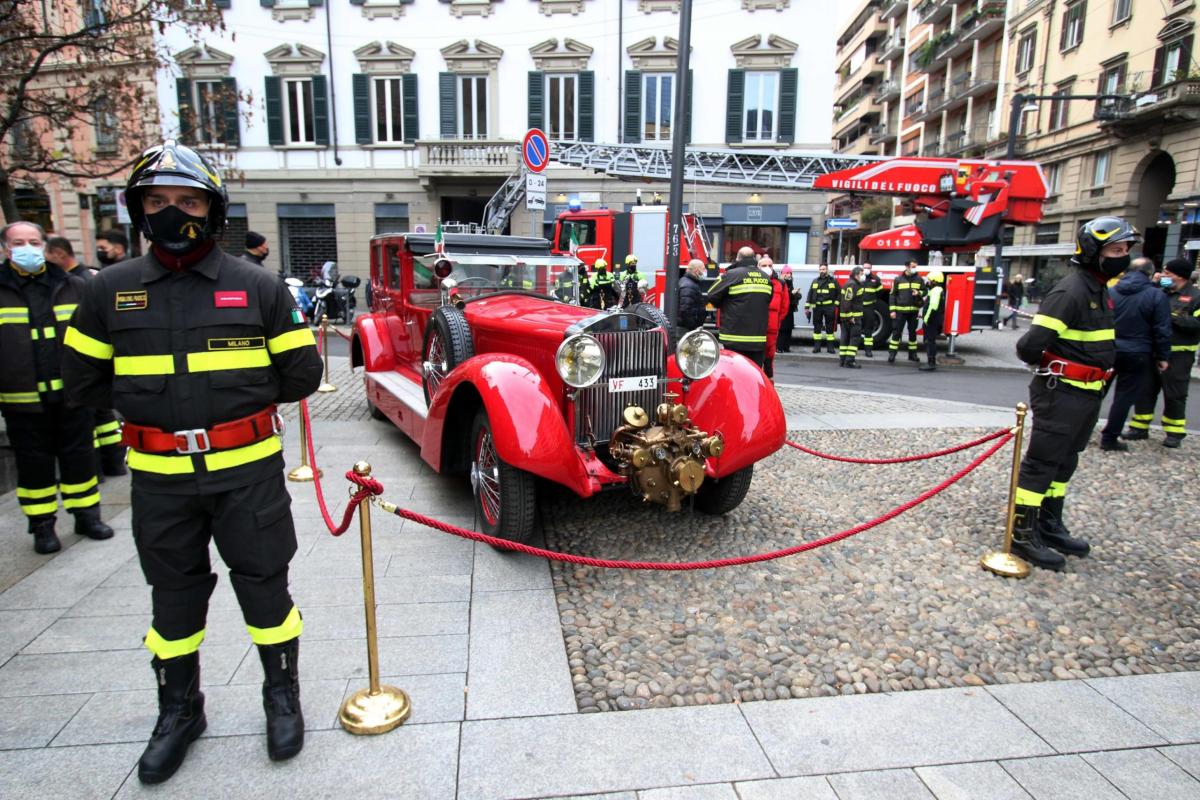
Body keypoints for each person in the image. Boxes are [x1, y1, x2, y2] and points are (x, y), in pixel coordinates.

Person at [61, 140, 323, 783]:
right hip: (160, 480)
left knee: (265, 584)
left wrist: (234, 410)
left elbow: (304, 372)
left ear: (212, 211)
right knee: (172, 599)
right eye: (157, 202)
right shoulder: (109, 291)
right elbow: (80, 379)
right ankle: (179, 709)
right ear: (138, 212)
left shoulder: (255, 286)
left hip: (247, 474)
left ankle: (280, 695)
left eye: (187, 201)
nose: (172, 213)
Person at [1011, 216, 1138, 571]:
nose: (1123, 256)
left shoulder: (1098, 289)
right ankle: (1022, 532)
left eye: (1126, 250)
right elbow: (1030, 345)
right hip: (1061, 390)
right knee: (1042, 462)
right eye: (1116, 250)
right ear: (1094, 252)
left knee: (1066, 460)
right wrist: (1056, 366)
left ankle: (1049, 523)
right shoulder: (1072, 291)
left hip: (1087, 392)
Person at [0, 221, 115, 554]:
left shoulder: (71, 285)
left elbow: (95, 337)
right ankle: (42, 525)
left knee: (80, 459)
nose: (27, 248)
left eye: (33, 241)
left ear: (44, 245)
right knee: (33, 466)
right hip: (21, 399)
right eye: (18, 242)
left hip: (72, 396)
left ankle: (86, 516)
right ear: (7, 248)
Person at [44, 237, 127, 478]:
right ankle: (109, 465)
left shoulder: (81, 283)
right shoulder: (88, 281)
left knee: (98, 425)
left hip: (91, 381)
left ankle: (110, 465)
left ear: (59, 254)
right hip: (84, 380)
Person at [1125, 256, 1200, 448]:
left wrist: (1172, 317)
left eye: (1168, 273)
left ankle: (1174, 432)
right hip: (1153, 352)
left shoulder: (1196, 297)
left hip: (1179, 354)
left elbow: (1196, 324)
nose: (1163, 275)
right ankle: (1139, 427)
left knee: (1174, 393)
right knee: (1145, 389)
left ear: (1181, 276)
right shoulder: (1160, 292)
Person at [1098, 258, 1170, 451]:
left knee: (1096, 392)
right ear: (1150, 273)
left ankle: (1079, 432)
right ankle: (1109, 438)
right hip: (1138, 352)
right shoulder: (1156, 295)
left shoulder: (1111, 291)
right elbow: (1162, 329)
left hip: (1109, 349)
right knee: (1124, 397)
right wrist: (1163, 357)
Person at [706, 246, 773, 368]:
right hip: (757, 339)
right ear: (754, 259)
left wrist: (724, 304)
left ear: (738, 258)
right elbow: (768, 300)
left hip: (733, 338)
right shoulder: (766, 278)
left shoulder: (731, 275)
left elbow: (711, 294)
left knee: (734, 374)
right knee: (754, 374)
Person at [887, 260, 923, 363]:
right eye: (913, 266)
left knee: (913, 333)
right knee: (897, 333)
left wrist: (919, 292)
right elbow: (892, 295)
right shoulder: (898, 279)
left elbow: (924, 290)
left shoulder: (919, 279)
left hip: (914, 312)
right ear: (907, 267)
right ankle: (892, 354)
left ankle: (912, 354)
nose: (914, 268)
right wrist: (892, 310)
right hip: (900, 312)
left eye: (916, 266)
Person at [759, 256, 789, 380]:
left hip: (772, 326)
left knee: (769, 358)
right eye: (764, 265)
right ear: (758, 267)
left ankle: (769, 385)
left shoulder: (780, 283)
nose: (767, 268)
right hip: (756, 326)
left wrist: (775, 321)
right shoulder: (754, 281)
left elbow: (784, 307)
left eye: (770, 265)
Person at [806, 262, 838, 354]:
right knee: (817, 328)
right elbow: (810, 294)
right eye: (820, 269)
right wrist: (807, 306)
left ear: (827, 270)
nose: (822, 271)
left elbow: (839, 294)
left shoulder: (833, 281)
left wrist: (835, 304)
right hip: (817, 307)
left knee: (830, 328)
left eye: (824, 269)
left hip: (829, 307)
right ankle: (817, 347)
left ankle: (830, 348)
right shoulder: (815, 281)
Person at [838, 266, 865, 368]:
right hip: (852, 317)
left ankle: (843, 360)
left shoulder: (851, 283)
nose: (863, 277)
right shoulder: (852, 285)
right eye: (862, 274)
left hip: (847, 317)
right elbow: (846, 301)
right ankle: (849, 361)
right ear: (856, 275)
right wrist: (850, 316)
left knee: (845, 338)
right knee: (854, 338)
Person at [919, 271, 945, 372]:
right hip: (934, 319)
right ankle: (931, 361)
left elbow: (933, 307)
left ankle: (931, 363)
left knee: (930, 342)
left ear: (934, 281)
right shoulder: (937, 290)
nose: (928, 282)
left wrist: (926, 319)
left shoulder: (936, 291)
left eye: (929, 280)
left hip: (931, 321)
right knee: (930, 341)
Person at [858, 261, 881, 356]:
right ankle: (854, 348)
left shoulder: (875, 279)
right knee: (856, 328)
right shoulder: (858, 277)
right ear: (862, 268)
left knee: (868, 329)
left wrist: (873, 300)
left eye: (868, 268)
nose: (866, 269)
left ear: (871, 269)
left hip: (869, 308)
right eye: (865, 267)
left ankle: (868, 350)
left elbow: (879, 292)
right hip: (858, 307)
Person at [678, 259, 708, 331]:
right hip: (686, 329)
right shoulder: (688, 286)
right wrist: (693, 327)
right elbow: (685, 310)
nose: (705, 271)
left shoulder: (689, 283)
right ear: (696, 271)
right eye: (703, 269)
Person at [777, 266, 799, 352]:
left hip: (789, 310)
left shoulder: (790, 283)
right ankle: (779, 347)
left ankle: (786, 347)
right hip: (782, 310)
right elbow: (782, 297)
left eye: (790, 273)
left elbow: (790, 297)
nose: (789, 275)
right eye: (787, 273)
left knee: (788, 329)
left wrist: (796, 295)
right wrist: (792, 293)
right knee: (782, 329)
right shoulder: (781, 283)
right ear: (783, 274)